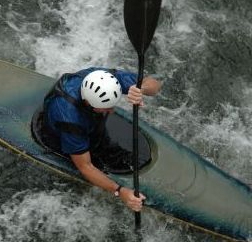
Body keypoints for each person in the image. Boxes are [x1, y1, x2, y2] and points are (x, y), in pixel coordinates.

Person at [33, 67, 161, 211]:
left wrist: (140, 89)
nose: (112, 111)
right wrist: (119, 191)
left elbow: (155, 85)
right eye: (106, 108)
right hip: (57, 136)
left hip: (87, 125)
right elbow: (85, 167)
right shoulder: (69, 118)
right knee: (93, 164)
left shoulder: (104, 79)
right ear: (89, 103)